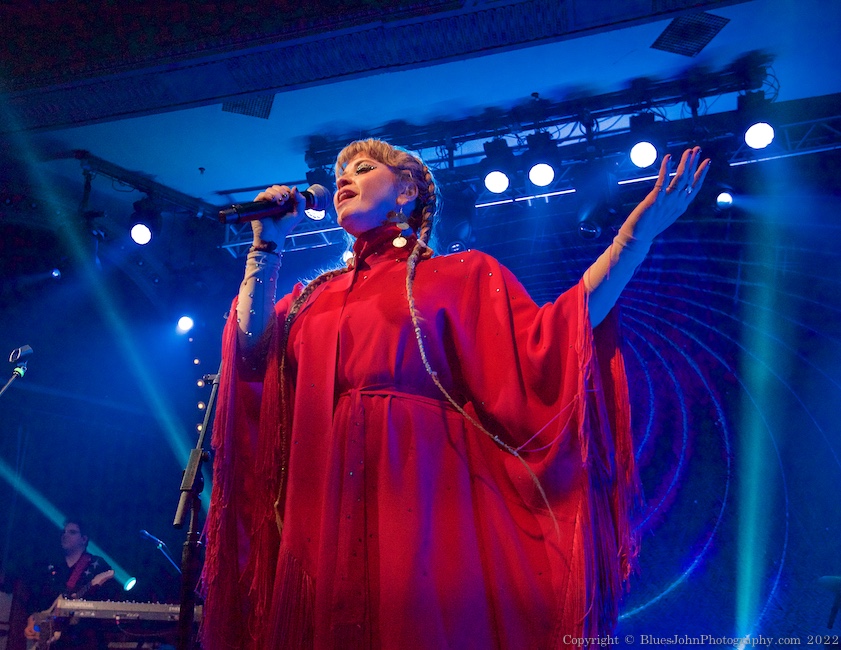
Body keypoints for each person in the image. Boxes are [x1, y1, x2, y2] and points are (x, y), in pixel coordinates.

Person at [201, 139, 709, 649]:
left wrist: (630, 241)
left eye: (362, 168)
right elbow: (250, 356)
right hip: (326, 502)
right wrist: (266, 247)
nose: (343, 182)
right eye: (338, 178)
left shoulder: (458, 276)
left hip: (422, 496)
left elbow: (553, 335)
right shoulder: (312, 298)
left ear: (406, 190)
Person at [24, 519, 118, 649]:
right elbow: (35, 597)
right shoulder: (50, 565)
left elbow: (110, 600)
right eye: (64, 532)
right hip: (51, 642)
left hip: (83, 639)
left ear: (84, 539)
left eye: (72, 532)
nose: (65, 535)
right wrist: (32, 623)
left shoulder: (96, 565)